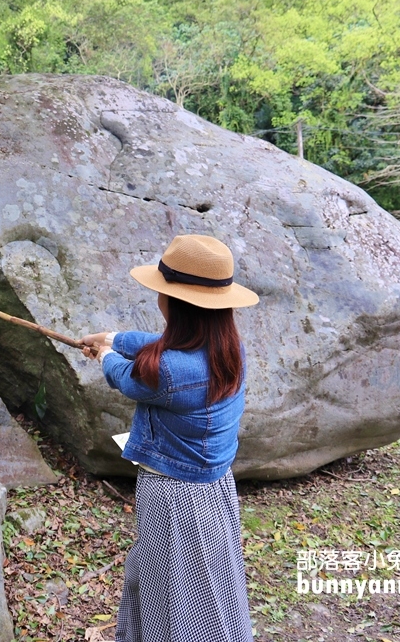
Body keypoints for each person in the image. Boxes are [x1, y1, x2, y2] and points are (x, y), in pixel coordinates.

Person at [81, 233, 259, 642]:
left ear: (175, 304)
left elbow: (130, 377)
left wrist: (106, 356)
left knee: (174, 592)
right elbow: (160, 345)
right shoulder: (227, 348)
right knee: (202, 580)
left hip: (174, 495)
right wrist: (113, 338)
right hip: (212, 486)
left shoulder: (170, 373)